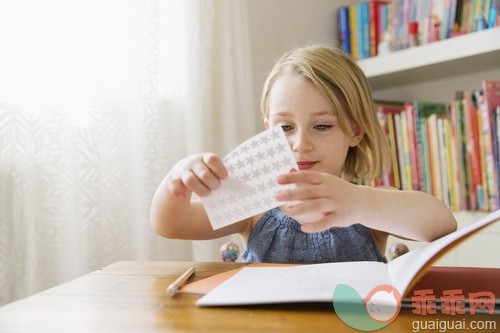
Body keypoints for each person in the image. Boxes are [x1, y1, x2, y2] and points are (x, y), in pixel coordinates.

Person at [150, 43, 457, 263]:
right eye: (285, 128)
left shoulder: (369, 206)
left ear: (355, 131)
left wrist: (358, 202)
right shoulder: (252, 203)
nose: (300, 144)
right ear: (268, 128)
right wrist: (176, 182)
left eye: (322, 126)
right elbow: (171, 225)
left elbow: (441, 225)